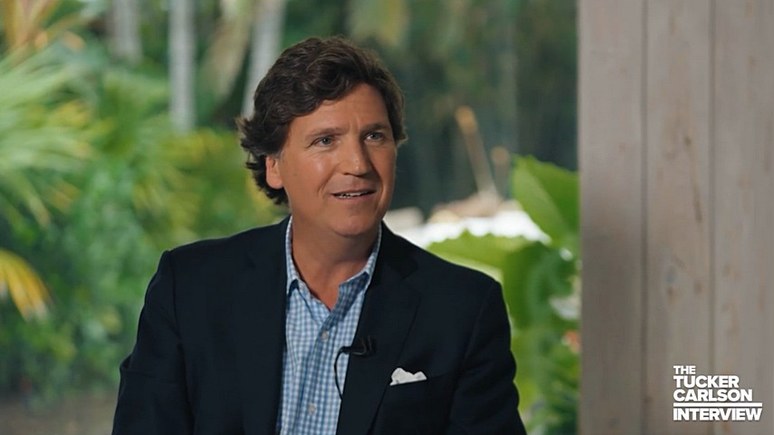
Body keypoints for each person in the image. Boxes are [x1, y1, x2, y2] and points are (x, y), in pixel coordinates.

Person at [112, 36, 527, 435]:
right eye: (326, 140)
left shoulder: (463, 311)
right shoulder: (189, 288)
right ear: (274, 165)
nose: (357, 164)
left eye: (374, 136)